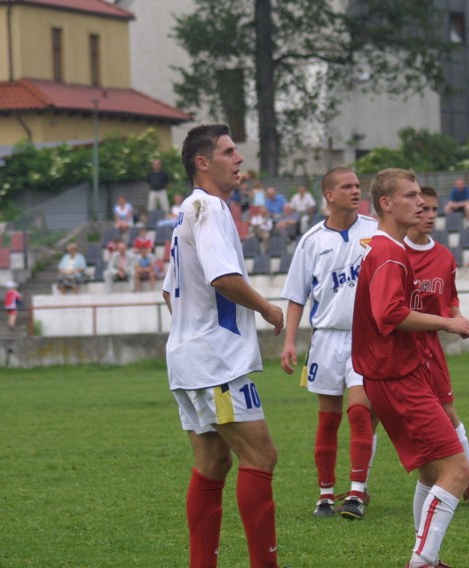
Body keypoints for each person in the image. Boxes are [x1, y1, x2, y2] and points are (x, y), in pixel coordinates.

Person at [162, 124, 285, 568]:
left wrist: (192, 332)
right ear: (202, 162)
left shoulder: (186, 212)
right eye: (229, 152)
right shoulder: (210, 208)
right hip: (216, 363)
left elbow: (168, 291)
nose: (239, 160)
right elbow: (223, 278)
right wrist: (269, 309)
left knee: (213, 464)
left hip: (189, 359)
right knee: (261, 455)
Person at [352, 168, 469, 568]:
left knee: (429, 474)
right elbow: (388, 314)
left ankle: (426, 557)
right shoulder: (388, 252)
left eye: (421, 195)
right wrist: (446, 322)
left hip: (391, 375)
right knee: (456, 469)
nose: (420, 202)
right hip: (397, 378)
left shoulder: (390, 248)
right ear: (386, 204)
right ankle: (423, 560)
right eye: (410, 195)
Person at [280, 166, 379, 520]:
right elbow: (296, 296)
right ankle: (324, 495)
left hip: (366, 338)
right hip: (325, 340)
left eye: (358, 185)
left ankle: (356, 492)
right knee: (328, 420)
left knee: (359, 411)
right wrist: (290, 342)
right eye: (347, 187)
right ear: (330, 195)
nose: (356, 191)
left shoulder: (376, 230)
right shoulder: (311, 241)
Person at [405, 185, 469, 509]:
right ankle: (356, 489)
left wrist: (458, 317)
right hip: (390, 351)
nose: (427, 215)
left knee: (448, 414)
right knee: (364, 415)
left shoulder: (443, 256)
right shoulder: (393, 253)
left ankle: (466, 481)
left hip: (428, 351)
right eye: (422, 208)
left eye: (433, 210)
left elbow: (450, 299)